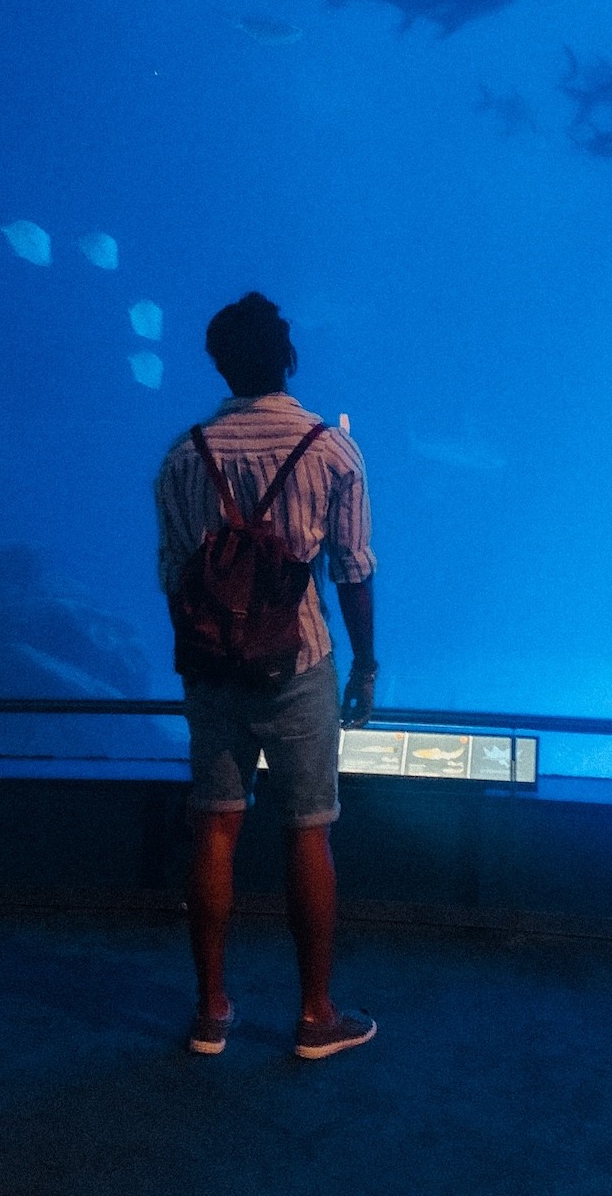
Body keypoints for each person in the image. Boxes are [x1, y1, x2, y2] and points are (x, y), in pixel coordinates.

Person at [154, 291, 378, 1060]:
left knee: (215, 825)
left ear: (219, 363)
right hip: (300, 662)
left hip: (213, 665)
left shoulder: (183, 456)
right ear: (288, 359)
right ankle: (315, 1015)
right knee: (306, 829)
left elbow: (173, 575)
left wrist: (215, 640)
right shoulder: (331, 449)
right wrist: (368, 664)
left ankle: (210, 1011)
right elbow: (352, 570)